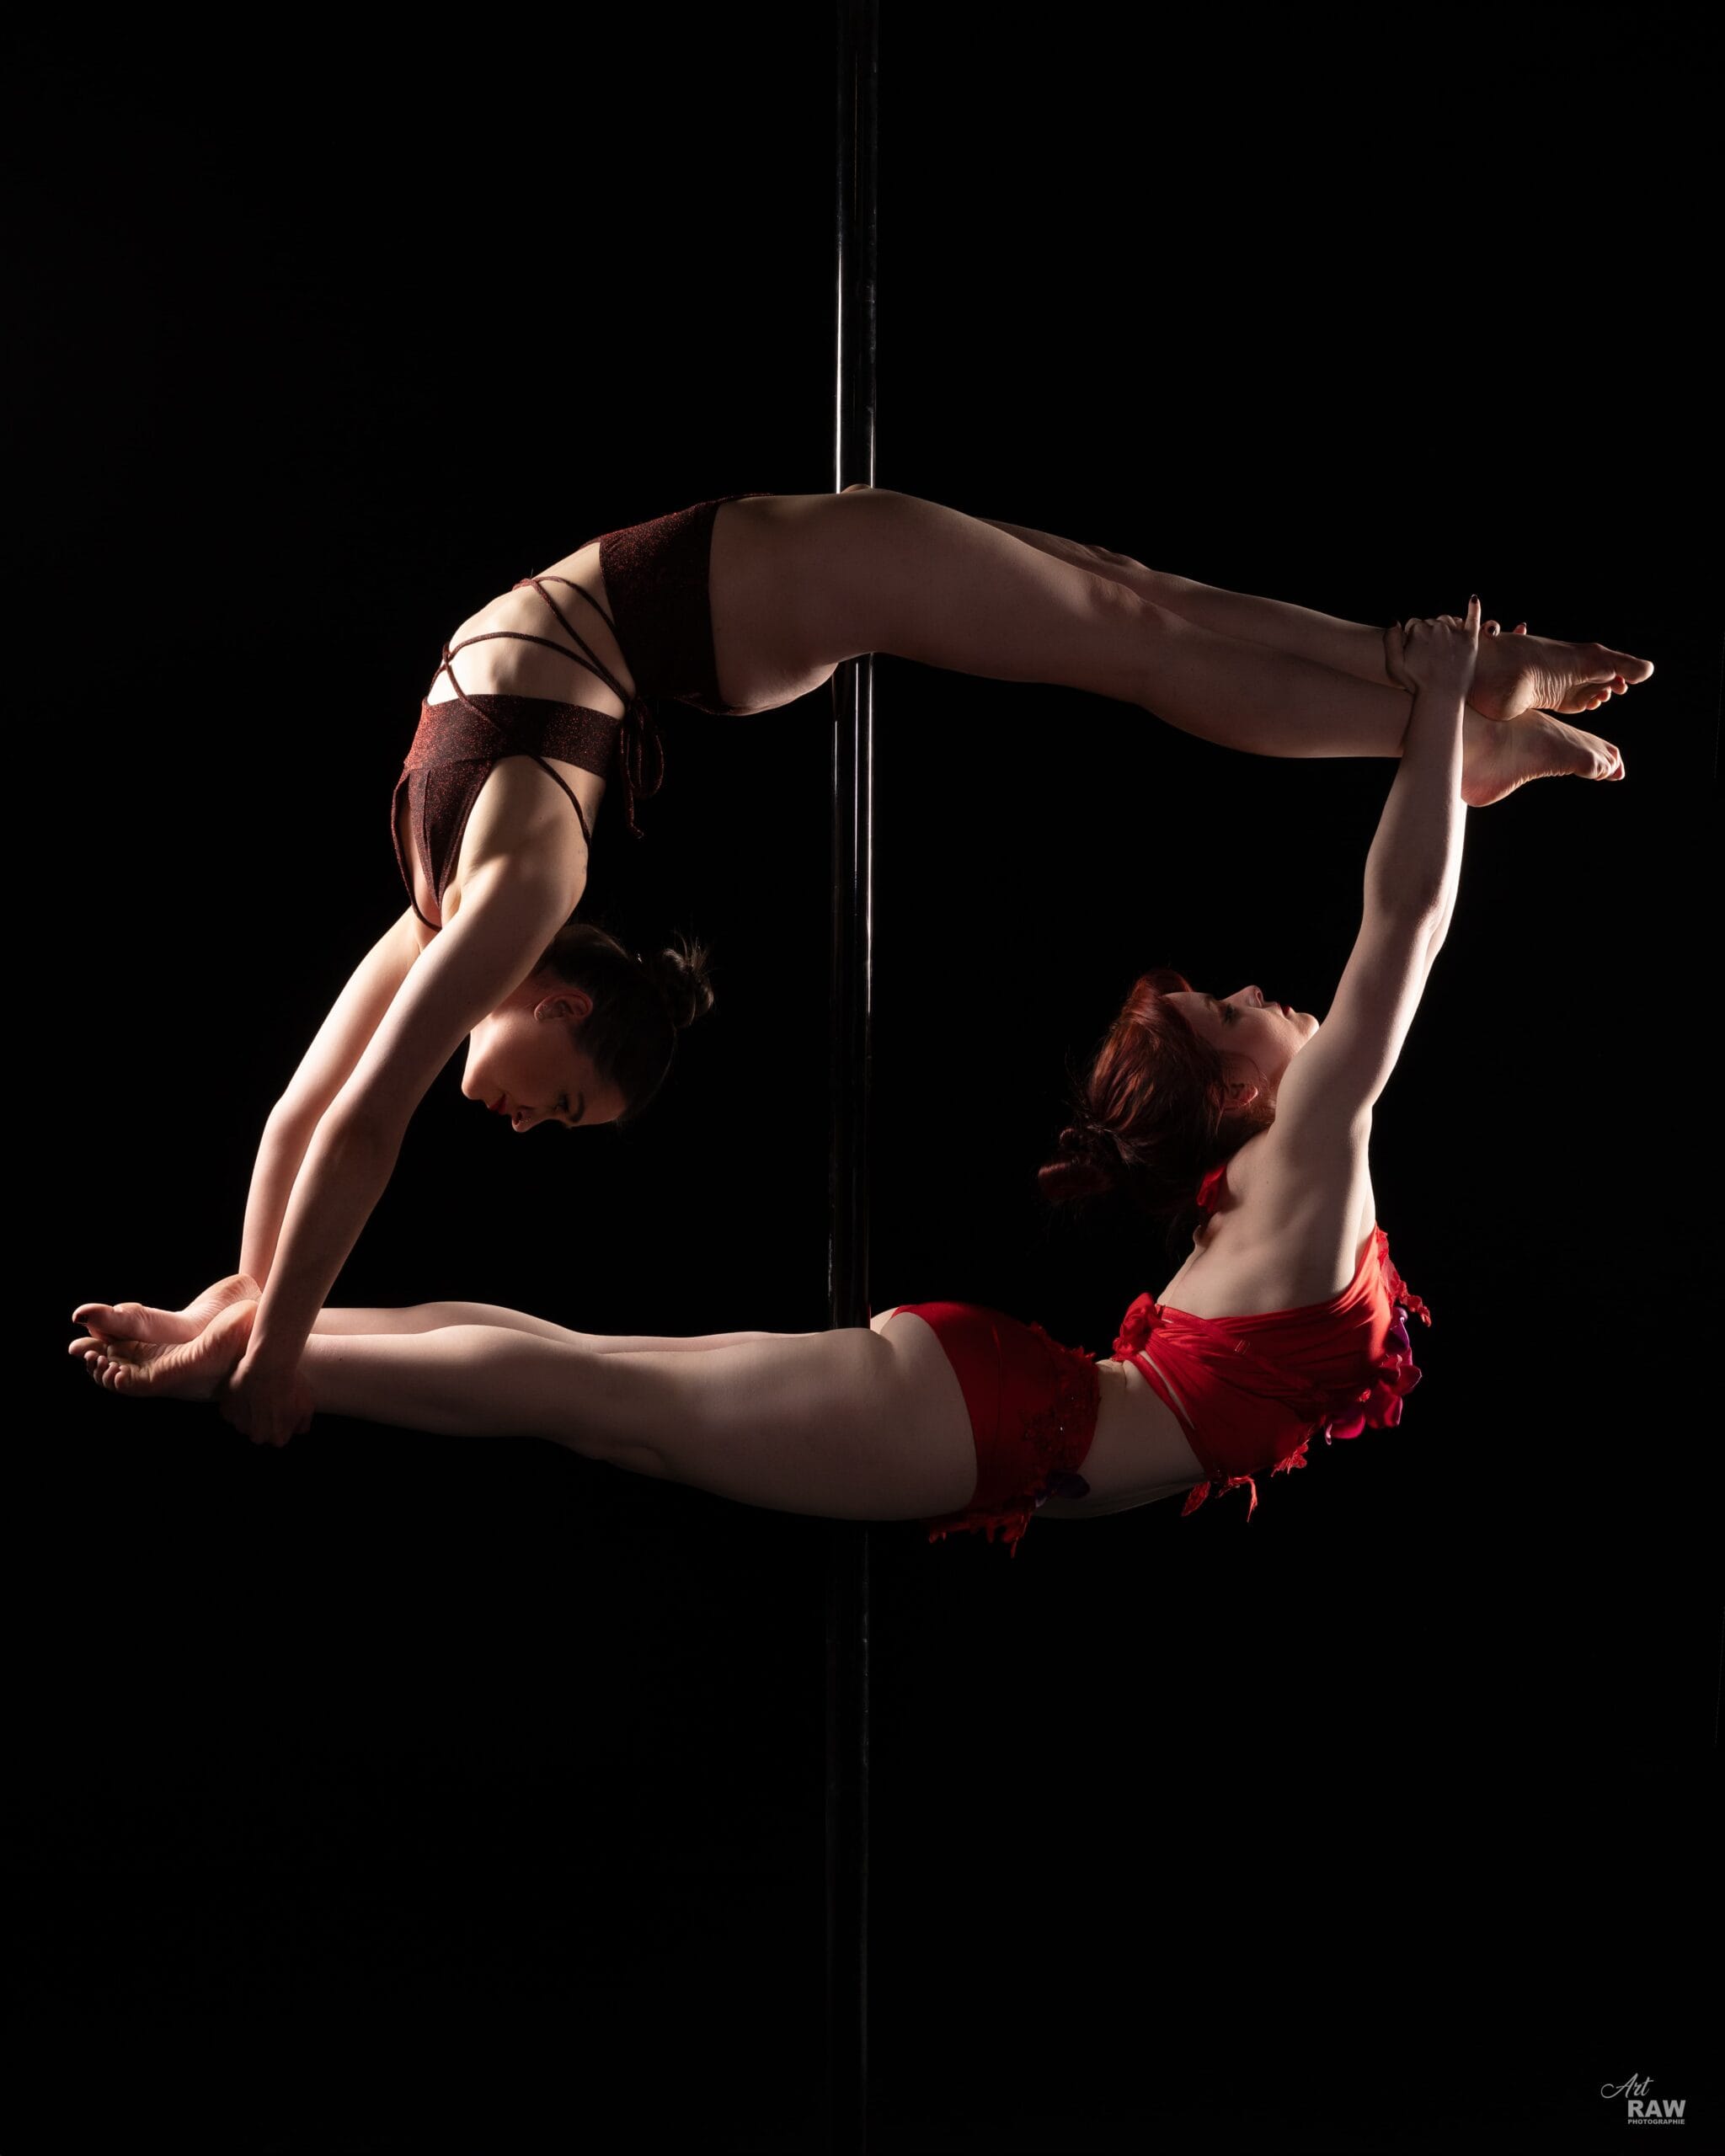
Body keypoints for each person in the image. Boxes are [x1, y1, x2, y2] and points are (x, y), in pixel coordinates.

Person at [74, 597, 1620, 1545]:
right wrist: (1433, 731)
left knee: (591, 1386)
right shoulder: (1303, 1161)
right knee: (589, 1392)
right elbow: (1402, 920)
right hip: (992, 1419)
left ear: (1233, 1096)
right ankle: (250, 1345)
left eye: (1233, 1001)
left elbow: (1401, 927)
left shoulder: (1291, 1167)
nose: (1268, 995)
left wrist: (1438, 722)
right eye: (1242, 1003)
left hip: (1001, 1412)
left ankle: (250, 1329)